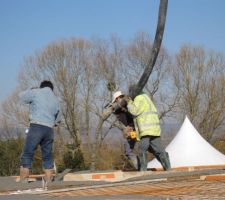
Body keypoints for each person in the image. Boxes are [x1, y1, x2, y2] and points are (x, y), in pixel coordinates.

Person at [19, 80, 61, 183]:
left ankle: (24, 179)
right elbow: (58, 119)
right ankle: (49, 178)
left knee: (28, 152)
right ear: (52, 89)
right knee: (47, 154)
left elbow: (22, 97)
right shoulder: (56, 100)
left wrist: (31, 89)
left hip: (36, 126)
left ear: (41, 87)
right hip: (49, 129)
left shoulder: (36, 92)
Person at [125, 85, 171, 171]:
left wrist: (129, 102)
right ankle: (168, 168)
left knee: (142, 149)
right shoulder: (146, 97)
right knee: (159, 150)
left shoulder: (139, 98)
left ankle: (143, 170)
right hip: (154, 129)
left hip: (146, 129)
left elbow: (134, 111)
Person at [111, 91, 139, 170]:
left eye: (116, 100)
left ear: (118, 98)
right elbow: (115, 109)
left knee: (130, 151)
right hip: (131, 130)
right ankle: (139, 167)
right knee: (129, 151)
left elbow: (132, 114)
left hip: (134, 129)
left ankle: (140, 168)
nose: (116, 102)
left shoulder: (128, 104)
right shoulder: (119, 108)